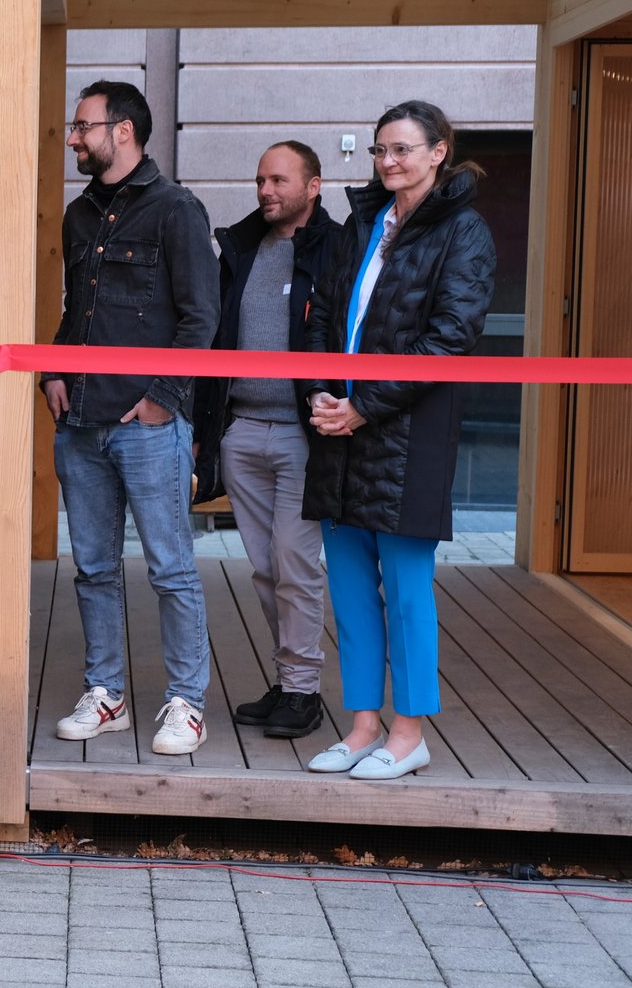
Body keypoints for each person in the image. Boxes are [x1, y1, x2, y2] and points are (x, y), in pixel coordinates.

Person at [301, 101, 494, 782]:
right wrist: (321, 394)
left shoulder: (464, 231)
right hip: (340, 430)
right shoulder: (363, 222)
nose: (388, 161)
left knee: (408, 594)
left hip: (409, 436)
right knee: (351, 591)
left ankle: (409, 735)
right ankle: (362, 729)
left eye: (402, 149)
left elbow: (449, 339)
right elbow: (323, 316)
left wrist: (362, 408)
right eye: (380, 149)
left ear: (439, 152)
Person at [43, 80, 217, 756]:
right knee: (92, 568)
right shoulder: (78, 214)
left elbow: (201, 318)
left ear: (123, 131)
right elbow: (76, 311)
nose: (73, 138)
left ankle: (187, 703)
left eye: (82, 126)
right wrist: (53, 371)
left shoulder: (177, 209)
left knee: (171, 568)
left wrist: (162, 400)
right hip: (81, 423)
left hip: (148, 425)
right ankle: (106, 694)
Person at [194, 142, 341, 742]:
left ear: (314, 185)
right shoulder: (240, 247)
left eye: (279, 180)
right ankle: (289, 682)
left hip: (303, 434)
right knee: (264, 569)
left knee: (294, 565)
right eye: (260, 180)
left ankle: (303, 690)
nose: (266, 191)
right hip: (242, 430)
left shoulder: (336, 248)